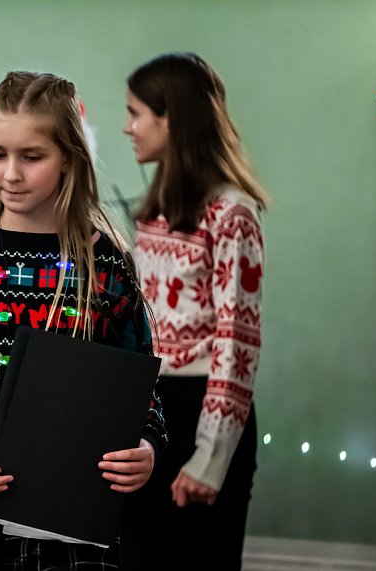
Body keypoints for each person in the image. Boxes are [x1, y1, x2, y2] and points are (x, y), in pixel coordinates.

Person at [0, 71, 167, 570]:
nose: (11, 174)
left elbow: (140, 386)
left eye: (32, 157)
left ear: (69, 159)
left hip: (73, 518)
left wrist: (146, 444)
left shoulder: (103, 265)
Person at [123, 52, 267, 569]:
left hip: (202, 411)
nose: (128, 127)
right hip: (151, 407)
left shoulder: (232, 213)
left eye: (136, 113)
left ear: (172, 119)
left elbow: (237, 342)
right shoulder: (156, 211)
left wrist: (209, 459)